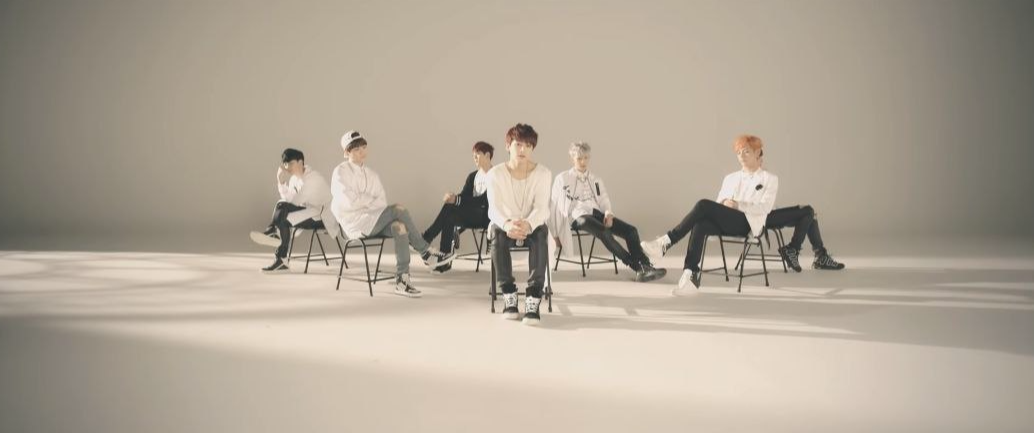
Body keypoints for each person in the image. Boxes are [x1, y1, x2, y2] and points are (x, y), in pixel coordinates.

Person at [641, 135, 778, 291]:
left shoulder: (770, 179)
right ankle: (691, 274)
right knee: (701, 224)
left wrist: (738, 205)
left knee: (703, 205)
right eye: (739, 152)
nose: (741, 156)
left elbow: (765, 208)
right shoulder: (730, 178)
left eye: (746, 151)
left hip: (748, 224)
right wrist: (724, 203)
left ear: (757, 152)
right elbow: (718, 202)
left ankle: (666, 242)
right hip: (727, 220)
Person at [330, 130, 456, 298]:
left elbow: (381, 202)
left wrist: (365, 201)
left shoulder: (371, 174)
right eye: (356, 149)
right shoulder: (340, 172)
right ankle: (425, 252)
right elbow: (348, 201)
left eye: (363, 148)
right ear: (346, 152)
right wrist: (370, 201)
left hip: (374, 220)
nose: (361, 152)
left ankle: (402, 280)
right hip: (354, 223)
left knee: (399, 227)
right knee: (398, 209)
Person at [548, 142, 666, 282]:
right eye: (579, 158)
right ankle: (637, 267)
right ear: (572, 158)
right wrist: (555, 234)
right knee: (604, 231)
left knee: (631, 231)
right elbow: (554, 206)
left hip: (597, 214)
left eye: (586, 158)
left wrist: (608, 213)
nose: (583, 162)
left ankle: (646, 266)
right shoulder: (562, 178)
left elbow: (603, 199)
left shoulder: (595, 179)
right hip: (577, 217)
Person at [487, 123, 552, 325]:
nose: (522, 149)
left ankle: (533, 297)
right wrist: (507, 224)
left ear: (532, 148)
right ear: (508, 146)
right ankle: (509, 294)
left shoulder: (543, 173)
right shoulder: (495, 174)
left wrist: (529, 224)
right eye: (518, 144)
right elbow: (493, 209)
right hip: (505, 224)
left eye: (528, 145)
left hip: (532, 224)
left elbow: (542, 208)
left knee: (541, 232)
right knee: (496, 233)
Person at [250, 148, 339, 273]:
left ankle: (276, 237)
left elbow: (293, 203)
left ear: (300, 162)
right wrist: (281, 181)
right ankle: (279, 252)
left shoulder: (313, 179)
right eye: (285, 164)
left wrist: (283, 205)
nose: (288, 167)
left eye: (291, 163)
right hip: (308, 211)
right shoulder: (294, 179)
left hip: (323, 216)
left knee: (283, 211)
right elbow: (288, 200)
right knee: (282, 209)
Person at [421, 141, 494, 273]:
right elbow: (464, 196)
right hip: (472, 216)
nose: (474, 158)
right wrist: (453, 197)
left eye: (477, 154)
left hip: (486, 218)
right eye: (473, 155)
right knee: (449, 211)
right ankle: (444, 260)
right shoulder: (473, 176)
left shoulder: (496, 175)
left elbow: (483, 201)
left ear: (488, 155)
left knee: (451, 208)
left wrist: (457, 200)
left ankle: (426, 238)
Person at [766, 205, 846, 271]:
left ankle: (821, 256)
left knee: (811, 215)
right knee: (808, 212)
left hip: (767, 213)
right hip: (762, 216)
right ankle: (792, 249)